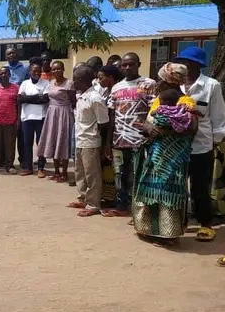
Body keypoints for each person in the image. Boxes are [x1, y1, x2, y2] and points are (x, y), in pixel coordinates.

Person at [132, 63, 198, 243]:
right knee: (150, 191)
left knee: (168, 194)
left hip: (172, 158)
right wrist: (148, 127)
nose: (158, 81)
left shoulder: (185, 102)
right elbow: (149, 121)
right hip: (155, 153)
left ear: (169, 81)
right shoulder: (159, 99)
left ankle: (168, 233)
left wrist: (162, 131)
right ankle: (148, 229)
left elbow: (192, 128)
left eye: (161, 78)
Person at [175, 47, 225, 242]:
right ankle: (179, 220)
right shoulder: (173, 84)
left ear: (196, 65)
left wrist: (215, 141)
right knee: (178, 185)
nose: (182, 66)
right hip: (177, 145)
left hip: (201, 145)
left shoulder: (211, 85)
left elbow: (218, 115)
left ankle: (206, 224)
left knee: (199, 187)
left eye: (186, 62)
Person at [103, 52, 157, 217]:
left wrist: (149, 134)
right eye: (124, 65)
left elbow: (154, 111)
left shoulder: (149, 84)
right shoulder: (117, 87)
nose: (127, 67)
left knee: (138, 176)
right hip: (119, 139)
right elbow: (112, 115)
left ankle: (138, 211)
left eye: (131, 64)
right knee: (120, 175)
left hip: (140, 140)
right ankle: (121, 207)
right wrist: (108, 142)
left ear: (138, 64)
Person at [67, 66, 109, 217]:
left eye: (76, 79)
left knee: (92, 174)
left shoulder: (95, 98)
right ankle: (83, 197)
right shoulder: (81, 96)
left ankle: (93, 204)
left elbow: (103, 123)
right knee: (80, 172)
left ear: (83, 80)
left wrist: (104, 146)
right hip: (80, 139)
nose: (73, 82)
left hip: (91, 142)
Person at [37, 61, 75, 182]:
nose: (56, 71)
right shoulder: (50, 83)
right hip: (52, 114)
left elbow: (73, 101)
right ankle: (56, 171)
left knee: (63, 142)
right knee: (53, 141)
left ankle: (64, 172)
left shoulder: (69, 83)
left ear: (63, 69)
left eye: (58, 69)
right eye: (54, 69)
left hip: (64, 113)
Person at [95, 64, 123, 208]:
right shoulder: (106, 92)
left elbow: (111, 118)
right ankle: (108, 196)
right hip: (106, 134)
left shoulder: (116, 92)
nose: (99, 81)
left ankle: (116, 199)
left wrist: (107, 143)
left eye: (101, 78)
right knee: (107, 167)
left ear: (111, 78)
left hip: (113, 135)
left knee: (114, 168)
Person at [18, 61, 50, 177]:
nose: (36, 73)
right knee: (27, 143)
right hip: (27, 117)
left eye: (38, 71)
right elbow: (20, 99)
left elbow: (45, 99)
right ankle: (28, 167)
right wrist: (37, 97)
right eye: (34, 71)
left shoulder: (46, 83)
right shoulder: (24, 83)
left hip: (41, 117)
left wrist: (28, 98)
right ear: (30, 71)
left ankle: (41, 168)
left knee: (40, 143)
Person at [0, 66, 19, 173]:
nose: (3, 75)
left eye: (5, 73)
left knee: (10, 144)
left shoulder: (16, 88)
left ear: (9, 75)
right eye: (1, 73)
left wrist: (18, 120)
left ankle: (9, 165)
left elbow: (18, 105)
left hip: (11, 121)